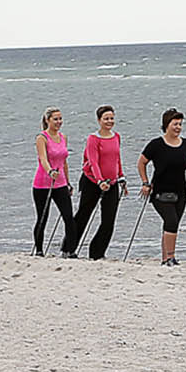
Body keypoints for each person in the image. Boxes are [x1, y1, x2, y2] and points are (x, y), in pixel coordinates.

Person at [138, 108, 186, 265]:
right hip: (159, 191)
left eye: (180, 124)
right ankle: (171, 257)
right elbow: (141, 162)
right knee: (171, 221)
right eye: (175, 124)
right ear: (166, 125)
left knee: (171, 225)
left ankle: (165, 259)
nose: (178, 127)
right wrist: (145, 182)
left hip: (180, 192)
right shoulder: (156, 144)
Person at [63, 106, 124, 259]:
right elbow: (93, 162)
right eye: (106, 118)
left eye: (111, 118)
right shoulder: (93, 139)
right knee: (83, 215)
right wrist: (99, 180)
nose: (109, 121)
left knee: (109, 220)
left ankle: (97, 252)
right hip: (91, 181)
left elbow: (117, 159)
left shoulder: (116, 136)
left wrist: (121, 176)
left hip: (112, 183)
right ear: (99, 120)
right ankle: (68, 249)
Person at [30, 108, 74, 256]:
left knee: (68, 217)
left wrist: (68, 182)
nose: (59, 122)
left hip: (60, 183)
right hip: (43, 184)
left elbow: (64, 162)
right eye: (55, 119)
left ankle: (69, 250)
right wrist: (50, 171)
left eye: (60, 119)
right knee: (43, 217)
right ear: (47, 120)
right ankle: (39, 250)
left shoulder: (63, 137)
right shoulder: (42, 138)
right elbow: (43, 159)